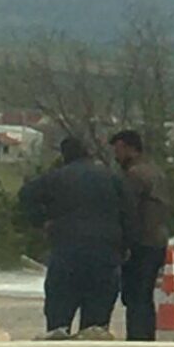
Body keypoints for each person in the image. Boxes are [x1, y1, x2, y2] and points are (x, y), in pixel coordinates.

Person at [19, 137, 126, 334]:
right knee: (96, 327)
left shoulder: (56, 178)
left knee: (59, 321)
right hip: (105, 257)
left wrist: (42, 221)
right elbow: (130, 215)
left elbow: (26, 194)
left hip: (67, 256)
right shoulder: (112, 179)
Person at [110, 130, 170, 341]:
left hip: (141, 243)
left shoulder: (134, 175)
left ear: (129, 148)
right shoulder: (155, 171)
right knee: (144, 295)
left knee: (135, 296)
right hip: (157, 240)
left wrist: (122, 242)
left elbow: (126, 210)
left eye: (118, 149)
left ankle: (137, 339)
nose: (116, 155)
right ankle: (146, 337)